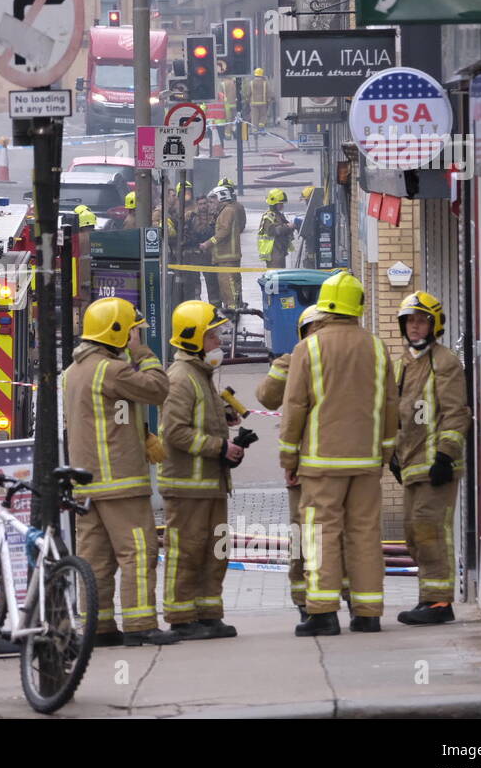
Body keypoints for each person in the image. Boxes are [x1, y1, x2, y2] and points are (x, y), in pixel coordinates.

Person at [279, 272, 397, 636]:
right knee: (364, 533)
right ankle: (367, 613)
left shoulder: (309, 348)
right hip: (365, 461)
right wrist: (384, 451)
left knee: (322, 534)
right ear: (357, 305)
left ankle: (323, 613)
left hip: (320, 462)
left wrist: (289, 458)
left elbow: (295, 405)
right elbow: (390, 405)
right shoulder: (377, 347)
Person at [62, 297, 177, 646]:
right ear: (116, 333)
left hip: (86, 484)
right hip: (120, 483)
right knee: (137, 552)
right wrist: (144, 354)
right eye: (132, 331)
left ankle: (99, 628)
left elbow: (104, 417)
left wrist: (140, 435)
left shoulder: (74, 372)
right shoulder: (111, 370)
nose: (135, 336)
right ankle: (141, 624)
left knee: (95, 558)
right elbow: (158, 389)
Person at [159, 300, 243, 640]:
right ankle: (182, 618)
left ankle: (209, 614)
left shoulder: (201, 375)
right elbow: (175, 431)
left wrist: (223, 417)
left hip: (210, 484)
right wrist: (220, 447)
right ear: (194, 339)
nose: (219, 343)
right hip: (187, 486)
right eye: (213, 336)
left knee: (215, 551)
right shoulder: (180, 378)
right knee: (187, 552)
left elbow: (196, 421)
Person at [390, 292, 471, 626]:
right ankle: (428, 597)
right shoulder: (402, 364)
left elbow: (456, 413)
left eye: (421, 320)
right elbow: (395, 415)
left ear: (434, 325)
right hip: (410, 466)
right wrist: (393, 454)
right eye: (410, 320)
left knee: (430, 531)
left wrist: (445, 455)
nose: (415, 327)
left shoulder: (445, 362)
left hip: (436, 468)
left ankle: (439, 602)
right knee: (412, 533)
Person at [256, 305, 325, 618]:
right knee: (302, 533)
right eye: (311, 331)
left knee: (330, 534)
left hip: (324, 463)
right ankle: (303, 600)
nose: (315, 337)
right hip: (304, 464)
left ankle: (332, 598)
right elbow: (266, 396)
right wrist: (285, 366)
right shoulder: (293, 361)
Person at [200, 184, 245, 310]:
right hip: (224, 258)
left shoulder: (228, 211)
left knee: (229, 288)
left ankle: (232, 314)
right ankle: (231, 310)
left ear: (221, 197)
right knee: (228, 288)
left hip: (227, 258)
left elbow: (223, 231)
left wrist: (207, 244)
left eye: (213, 200)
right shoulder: (224, 211)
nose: (211, 203)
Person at [183, 193, 219, 305]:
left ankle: (215, 307)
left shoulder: (214, 216)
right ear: (197, 205)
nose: (203, 206)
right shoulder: (191, 217)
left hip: (208, 255)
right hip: (194, 255)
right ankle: (196, 305)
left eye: (204, 203)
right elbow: (185, 233)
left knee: (212, 283)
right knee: (194, 284)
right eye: (200, 204)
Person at [257, 189, 295, 269]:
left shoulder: (278, 215)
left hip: (279, 251)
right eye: (280, 204)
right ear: (273, 204)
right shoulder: (268, 217)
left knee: (280, 276)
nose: (282, 206)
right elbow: (273, 231)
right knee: (276, 277)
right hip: (273, 254)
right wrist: (288, 227)